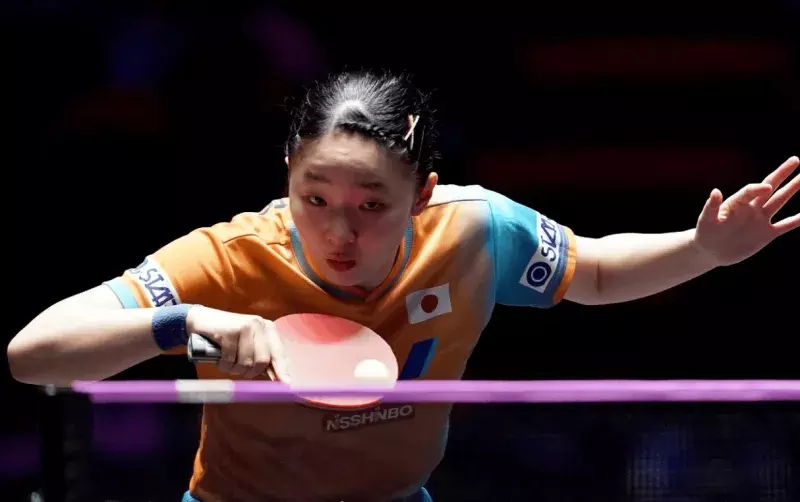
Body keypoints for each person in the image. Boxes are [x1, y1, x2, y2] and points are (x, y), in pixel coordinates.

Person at [7, 69, 798, 502]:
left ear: (422, 195)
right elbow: (31, 354)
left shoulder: (474, 230)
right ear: (287, 177)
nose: (339, 232)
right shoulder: (227, 258)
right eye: (315, 199)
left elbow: (589, 272)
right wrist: (180, 325)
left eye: (371, 206)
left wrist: (702, 249)